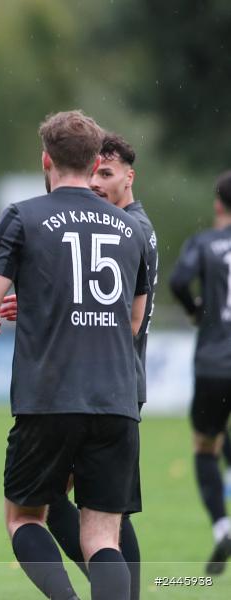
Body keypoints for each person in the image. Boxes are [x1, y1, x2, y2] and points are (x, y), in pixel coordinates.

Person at [0, 110, 149, 600]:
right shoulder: (131, 228)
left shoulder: (23, 215)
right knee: (102, 538)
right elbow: (132, 321)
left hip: (48, 395)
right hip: (115, 399)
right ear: (96, 164)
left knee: (24, 517)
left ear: (45, 160)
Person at [169, 170, 231, 575]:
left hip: (213, 362)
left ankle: (221, 524)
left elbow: (178, 281)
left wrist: (195, 311)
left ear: (217, 204)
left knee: (205, 445)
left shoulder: (205, 243)